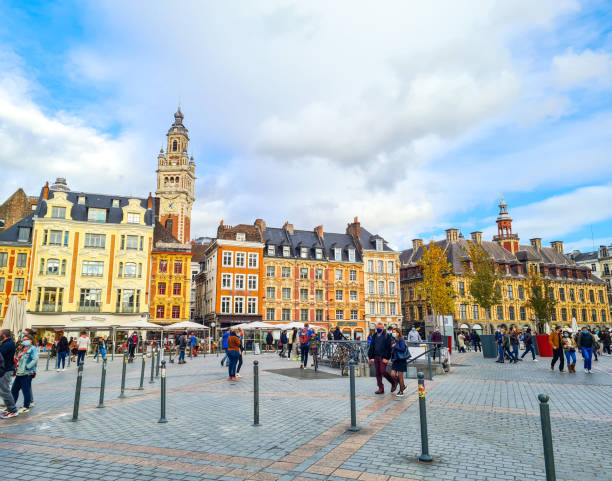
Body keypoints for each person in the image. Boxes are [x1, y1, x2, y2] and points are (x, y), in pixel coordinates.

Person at [11, 333, 38, 414]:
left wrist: (27, 367)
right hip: (20, 372)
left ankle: (26, 406)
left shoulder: (32, 349)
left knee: (25, 391)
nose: (24, 341)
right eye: (24, 340)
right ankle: (11, 406)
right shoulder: (23, 349)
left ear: (31, 340)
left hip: (27, 373)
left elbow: (35, 359)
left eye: (26, 340)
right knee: (14, 390)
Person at [367, 322, 396, 395]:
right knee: (377, 373)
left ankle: (393, 382)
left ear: (383, 328)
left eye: (380, 328)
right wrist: (369, 357)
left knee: (383, 371)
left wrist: (386, 358)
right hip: (376, 356)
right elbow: (371, 347)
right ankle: (380, 388)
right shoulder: (374, 336)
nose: (378, 329)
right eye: (377, 328)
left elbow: (389, 348)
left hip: (383, 357)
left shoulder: (387, 336)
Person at [0, 329, 17, 418]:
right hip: (5, 369)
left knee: (5, 391)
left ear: (4, 335)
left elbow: (1, 353)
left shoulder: (8, 344)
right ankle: (10, 408)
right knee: (3, 391)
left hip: (6, 370)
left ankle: (12, 410)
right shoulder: (7, 342)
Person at [390, 328, 409, 397]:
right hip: (395, 360)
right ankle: (402, 385)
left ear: (398, 333)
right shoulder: (394, 340)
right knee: (392, 374)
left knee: (400, 376)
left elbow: (403, 349)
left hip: (401, 360)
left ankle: (401, 391)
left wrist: (395, 346)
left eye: (394, 332)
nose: (393, 333)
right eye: (392, 332)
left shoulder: (401, 339)